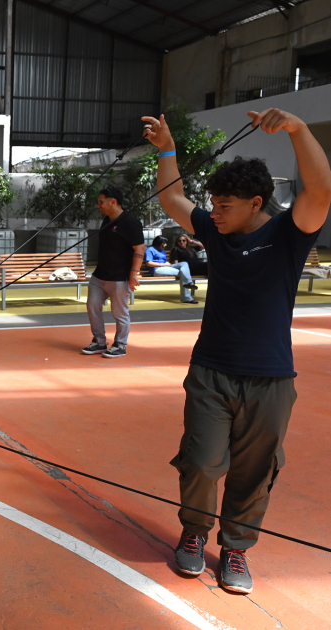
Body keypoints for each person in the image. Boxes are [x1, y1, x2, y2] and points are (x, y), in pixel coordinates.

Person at [142, 108, 331, 593]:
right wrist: (167, 149)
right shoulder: (216, 231)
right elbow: (171, 198)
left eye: (224, 206)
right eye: (213, 206)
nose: (214, 214)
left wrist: (298, 128)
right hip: (212, 371)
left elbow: (321, 190)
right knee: (202, 460)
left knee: (255, 469)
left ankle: (236, 549)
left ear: (255, 202)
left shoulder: (290, 234)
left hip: (270, 378)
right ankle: (193, 532)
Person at [81, 187, 146, 358]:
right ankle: (99, 342)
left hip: (119, 278)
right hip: (99, 275)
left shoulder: (130, 223)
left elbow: (139, 247)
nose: (98, 206)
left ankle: (120, 344)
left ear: (113, 202)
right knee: (92, 305)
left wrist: (133, 274)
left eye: (101, 202)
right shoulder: (107, 220)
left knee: (119, 313)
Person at [145, 235, 199, 303]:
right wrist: (163, 264)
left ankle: (189, 283)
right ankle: (187, 297)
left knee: (184, 263)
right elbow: (149, 263)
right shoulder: (150, 250)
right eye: (164, 243)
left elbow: (165, 261)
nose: (165, 245)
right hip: (157, 269)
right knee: (183, 273)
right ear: (159, 243)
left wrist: (167, 263)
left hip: (166, 267)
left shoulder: (162, 251)